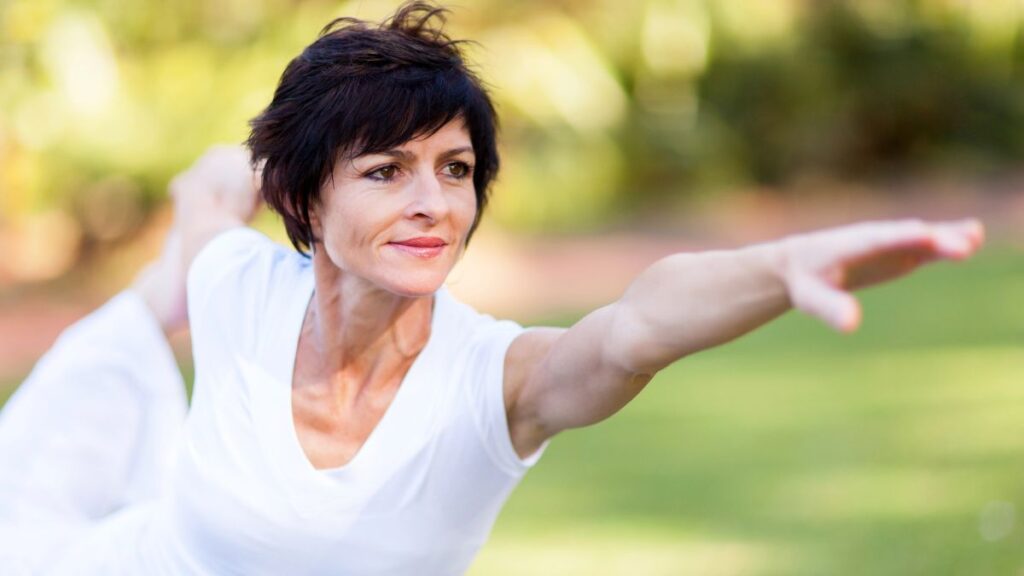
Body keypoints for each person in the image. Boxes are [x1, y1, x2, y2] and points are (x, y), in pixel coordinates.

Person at [0, 2, 985, 575]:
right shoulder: (234, 286)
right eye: (385, 170)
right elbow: (210, 201)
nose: (433, 202)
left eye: (456, 169)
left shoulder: (494, 386)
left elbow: (634, 328)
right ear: (305, 195)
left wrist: (778, 266)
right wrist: (260, 166)